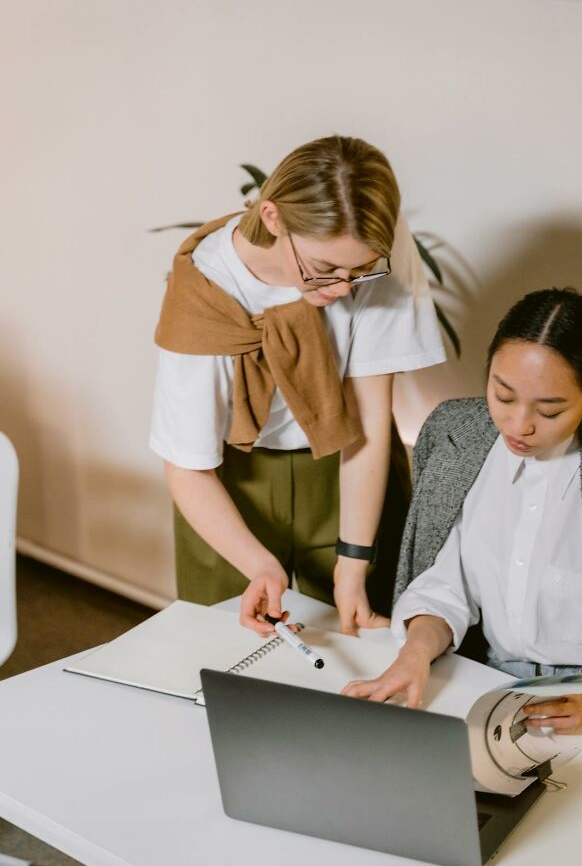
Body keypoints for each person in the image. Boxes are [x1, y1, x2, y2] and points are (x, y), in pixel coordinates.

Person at [343, 288, 582, 745]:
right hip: (479, 679)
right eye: (503, 395)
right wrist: (415, 651)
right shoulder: (455, 433)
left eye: (549, 409)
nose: (518, 425)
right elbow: (445, 583)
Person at [150, 135, 445, 642]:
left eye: (361, 272)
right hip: (229, 486)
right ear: (272, 218)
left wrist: (353, 563)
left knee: (365, 657)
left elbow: (371, 419)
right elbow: (187, 465)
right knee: (229, 656)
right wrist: (260, 566)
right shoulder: (204, 290)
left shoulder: (374, 245)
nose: (343, 290)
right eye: (324, 269)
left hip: (350, 470)